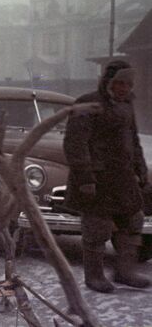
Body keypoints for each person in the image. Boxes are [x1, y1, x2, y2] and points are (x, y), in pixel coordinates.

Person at [63, 60, 150, 293]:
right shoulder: (87, 103)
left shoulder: (127, 105)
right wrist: (85, 179)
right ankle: (94, 276)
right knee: (97, 228)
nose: (123, 88)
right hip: (98, 179)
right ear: (107, 82)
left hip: (123, 179)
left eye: (128, 84)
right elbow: (75, 143)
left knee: (132, 223)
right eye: (119, 83)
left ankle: (124, 272)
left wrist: (141, 170)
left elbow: (133, 142)